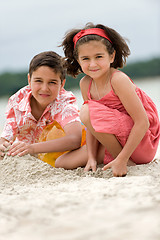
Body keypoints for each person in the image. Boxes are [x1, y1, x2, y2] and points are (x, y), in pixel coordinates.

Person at [60, 22, 160, 177]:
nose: (92, 64)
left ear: (111, 56)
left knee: (86, 110)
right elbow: (91, 124)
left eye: (99, 57)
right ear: (78, 60)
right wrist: (91, 156)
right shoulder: (85, 83)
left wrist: (122, 158)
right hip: (112, 139)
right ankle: (108, 156)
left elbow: (142, 122)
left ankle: (123, 161)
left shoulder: (118, 79)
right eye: (85, 58)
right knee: (63, 162)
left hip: (140, 143)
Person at [0, 51, 87, 168]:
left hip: (67, 151)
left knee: (63, 162)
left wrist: (32, 148)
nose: (44, 88)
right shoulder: (17, 100)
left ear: (62, 84)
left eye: (52, 82)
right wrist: (3, 145)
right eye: (38, 81)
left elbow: (75, 139)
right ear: (29, 80)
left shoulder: (63, 101)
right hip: (32, 157)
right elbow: (6, 136)